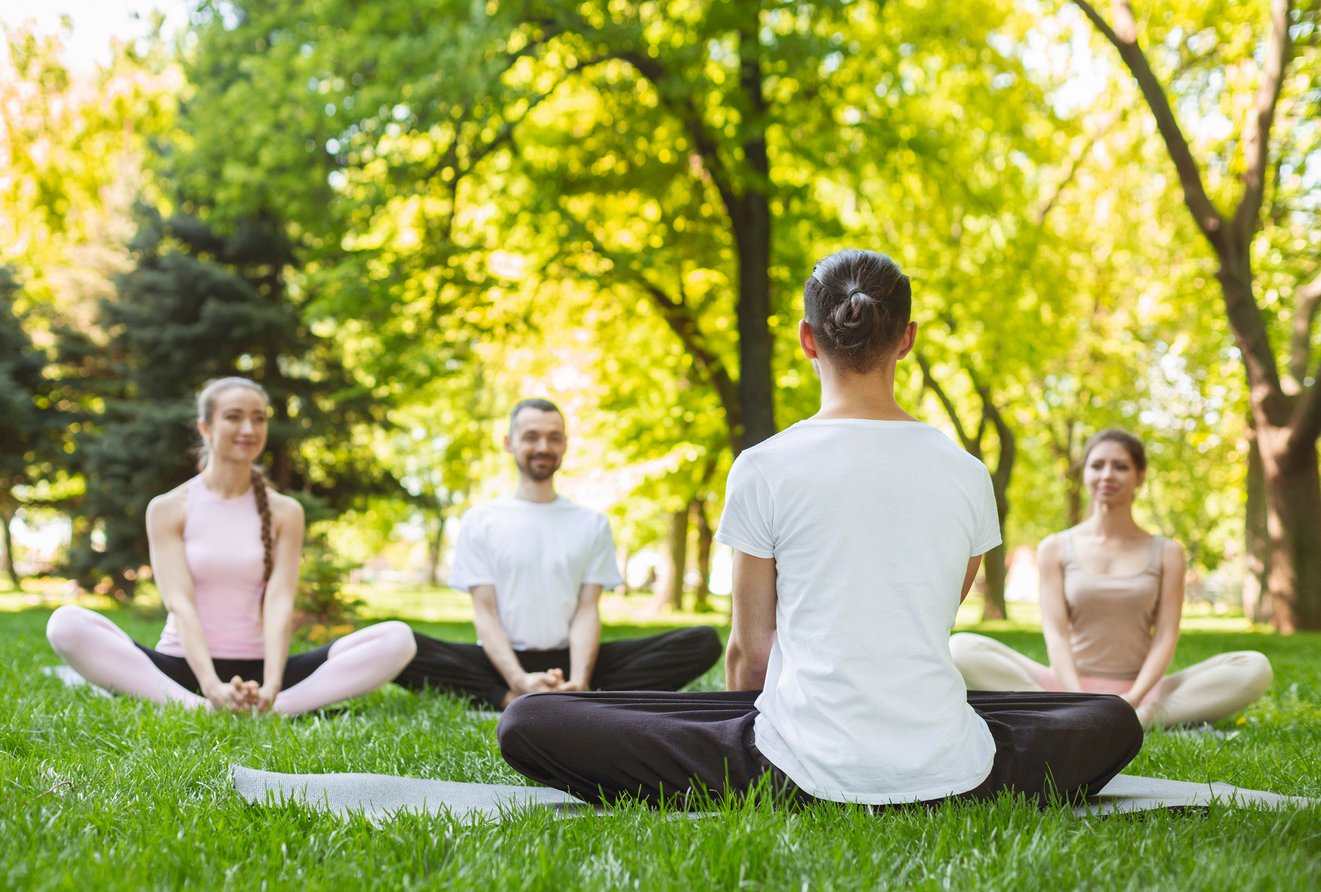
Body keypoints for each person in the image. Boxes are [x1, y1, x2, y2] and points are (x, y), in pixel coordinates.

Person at [498, 249, 1142, 807]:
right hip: (951, 765)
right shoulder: (968, 473)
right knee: (1112, 720)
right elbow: (925, 622)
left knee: (530, 721)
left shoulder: (763, 466)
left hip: (794, 767)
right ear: (907, 338)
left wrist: (738, 724)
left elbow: (752, 652)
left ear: (808, 339)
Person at [46, 376, 416, 714]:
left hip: (264, 670)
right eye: (234, 417)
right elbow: (181, 604)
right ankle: (198, 707)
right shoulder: (167, 508)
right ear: (205, 427)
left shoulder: (287, 511)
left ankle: (278, 707)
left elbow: (279, 601)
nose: (248, 429)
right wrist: (211, 686)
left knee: (398, 639)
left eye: (259, 419)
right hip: (183, 669)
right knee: (66, 624)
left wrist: (272, 684)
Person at [396, 398, 721, 709]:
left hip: (573, 659)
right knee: (399, 645)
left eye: (554, 438)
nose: (543, 447)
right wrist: (518, 677)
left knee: (702, 641)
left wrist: (579, 678)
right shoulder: (480, 521)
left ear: (565, 444)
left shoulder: (591, 523)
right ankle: (511, 695)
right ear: (509, 442)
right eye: (531, 437)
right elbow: (486, 614)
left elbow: (586, 610)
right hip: (498, 662)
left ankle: (575, 694)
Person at [949, 429, 1272, 729]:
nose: (1107, 475)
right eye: (1097, 465)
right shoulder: (1056, 548)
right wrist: (1078, 699)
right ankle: (1074, 710)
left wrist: (1135, 698)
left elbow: (1165, 637)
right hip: (1064, 687)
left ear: (1139, 476)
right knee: (961, 647)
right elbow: (1057, 635)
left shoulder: (1167, 552)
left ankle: (1138, 718)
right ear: (1085, 474)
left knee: (1254, 666)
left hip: (1145, 692)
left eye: (1120, 466)